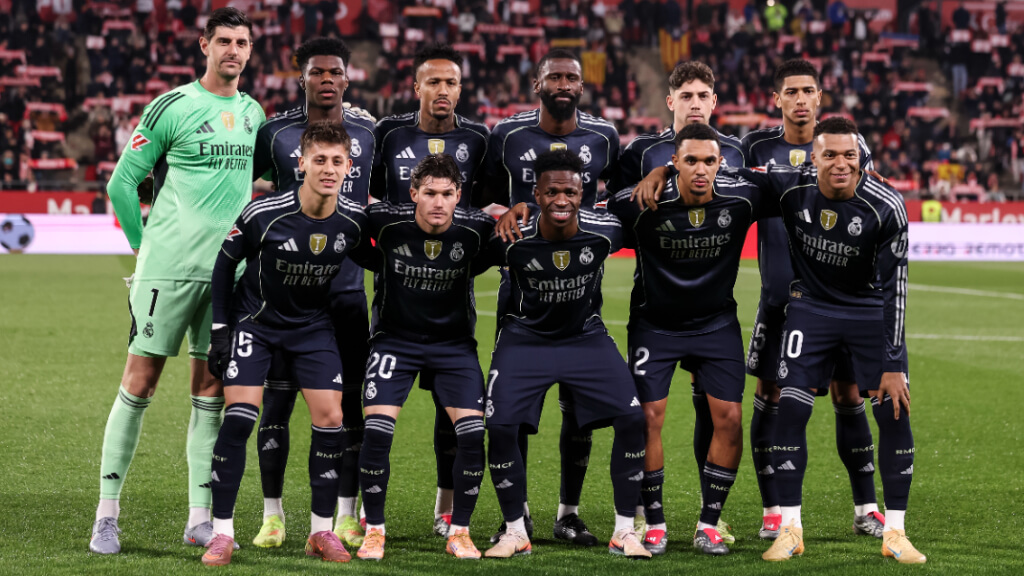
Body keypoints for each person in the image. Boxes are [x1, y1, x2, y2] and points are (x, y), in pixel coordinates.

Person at [92, 7, 265, 555]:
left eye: (242, 42)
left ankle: (199, 517)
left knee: (210, 391)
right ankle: (107, 515)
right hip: (167, 270)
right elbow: (124, 185)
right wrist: (144, 251)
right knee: (139, 383)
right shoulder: (173, 106)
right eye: (224, 41)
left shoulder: (255, 113)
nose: (233, 51)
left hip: (228, 275)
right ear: (203, 45)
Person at [738, 118, 925, 564]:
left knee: (894, 410)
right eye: (830, 155)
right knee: (791, 407)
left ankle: (895, 532)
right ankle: (789, 528)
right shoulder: (788, 186)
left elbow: (896, 289)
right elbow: (726, 174)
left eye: (850, 156)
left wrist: (894, 363)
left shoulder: (886, 206)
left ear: (862, 160)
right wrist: (662, 172)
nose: (841, 164)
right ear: (812, 158)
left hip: (868, 313)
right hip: (811, 309)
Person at [201, 121, 368, 566]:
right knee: (239, 419)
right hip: (256, 325)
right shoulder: (264, 213)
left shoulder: (353, 220)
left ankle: (320, 531)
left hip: (312, 328)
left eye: (337, 161)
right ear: (301, 163)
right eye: (319, 160)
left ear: (348, 166)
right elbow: (223, 266)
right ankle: (221, 533)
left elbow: (387, 245)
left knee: (331, 418)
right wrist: (221, 333)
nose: (328, 169)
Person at [606, 124, 771, 555]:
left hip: (715, 325)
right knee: (648, 418)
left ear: (722, 164)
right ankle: (655, 522)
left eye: (709, 161)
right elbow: (591, 210)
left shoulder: (741, 197)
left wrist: (865, 173)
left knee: (730, 418)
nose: (701, 169)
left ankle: (709, 524)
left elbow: (796, 179)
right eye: (690, 160)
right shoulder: (641, 201)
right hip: (655, 325)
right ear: (674, 161)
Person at [481, 48, 620, 546]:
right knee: (511, 407)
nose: (563, 84)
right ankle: (514, 517)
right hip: (519, 285)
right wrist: (507, 207)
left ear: (582, 85)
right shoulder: (507, 135)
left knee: (578, 405)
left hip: (581, 284)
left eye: (572, 77)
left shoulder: (604, 136)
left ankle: (569, 512)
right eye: (554, 76)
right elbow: (482, 197)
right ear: (537, 83)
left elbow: (615, 199)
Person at [741, 59, 882, 540]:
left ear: (820, 98)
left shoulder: (849, 147)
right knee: (770, 395)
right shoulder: (756, 147)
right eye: (791, 91)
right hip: (780, 299)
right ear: (776, 99)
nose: (800, 99)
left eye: (808, 91)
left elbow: (874, 209)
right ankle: (773, 511)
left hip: (838, 299)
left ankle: (867, 506)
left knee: (848, 395)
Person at [483, 150, 649, 559]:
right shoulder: (509, 237)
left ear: (583, 194)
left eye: (570, 192)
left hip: (583, 336)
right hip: (524, 338)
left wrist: (663, 168)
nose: (562, 200)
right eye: (552, 191)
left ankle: (625, 531)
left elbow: (634, 205)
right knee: (501, 426)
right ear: (536, 194)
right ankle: (515, 530)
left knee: (632, 418)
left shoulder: (606, 231)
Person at [249, 36, 378, 550]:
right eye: (317, 72)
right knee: (275, 408)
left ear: (347, 78)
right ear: (299, 75)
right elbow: (242, 188)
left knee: (347, 409)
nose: (327, 79)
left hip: (346, 292)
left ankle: (345, 516)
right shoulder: (275, 132)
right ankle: (273, 515)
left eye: (336, 72)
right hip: (285, 296)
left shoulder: (369, 130)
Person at [370, 44, 490, 536]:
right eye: (434, 82)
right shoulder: (388, 133)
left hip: (451, 286)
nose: (443, 91)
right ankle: (364, 512)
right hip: (396, 287)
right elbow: (370, 197)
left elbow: (486, 206)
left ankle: (446, 507)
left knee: (452, 410)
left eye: (452, 83)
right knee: (375, 408)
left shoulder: (479, 138)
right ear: (416, 87)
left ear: (461, 89)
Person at [354, 154, 495, 561]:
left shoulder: (477, 228)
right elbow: (351, 234)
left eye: (447, 194)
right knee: (378, 431)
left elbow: (501, 247)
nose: (438, 202)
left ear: (459, 196)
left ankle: (460, 531)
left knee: (471, 435)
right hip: (395, 342)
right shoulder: (386, 220)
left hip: (453, 345)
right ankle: (375, 530)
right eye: (429, 193)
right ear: (413, 193)